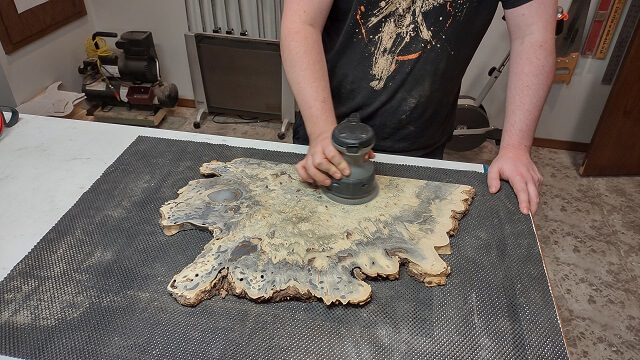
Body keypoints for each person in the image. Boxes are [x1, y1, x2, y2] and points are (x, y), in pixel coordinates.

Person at [280, 0, 555, 216]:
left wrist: (516, 149)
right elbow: (302, 24)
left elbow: (532, 35)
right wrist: (321, 132)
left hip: (420, 141)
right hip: (327, 134)